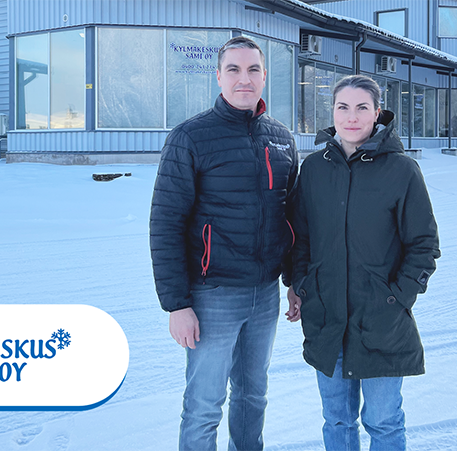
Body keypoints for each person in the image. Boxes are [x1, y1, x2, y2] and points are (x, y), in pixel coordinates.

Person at [150, 36, 299, 451]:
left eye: (253, 69)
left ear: (264, 76)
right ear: (218, 76)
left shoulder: (281, 138)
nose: (243, 79)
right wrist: (176, 305)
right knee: (204, 405)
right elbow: (165, 223)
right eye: (233, 69)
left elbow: (291, 219)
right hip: (212, 295)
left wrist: (294, 282)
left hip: (265, 295)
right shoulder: (190, 137)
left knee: (253, 397)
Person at [286, 75, 440, 451]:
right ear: (333, 112)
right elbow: (299, 238)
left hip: (381, 322)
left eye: (361, 108)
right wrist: (301, 284)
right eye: (343, 107)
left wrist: (397, 297)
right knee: (337, 419)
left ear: (377, 113)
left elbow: (424, 245)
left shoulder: (401, 171)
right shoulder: (314, 169)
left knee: (383, 421)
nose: (351, 117)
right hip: (327, 318)